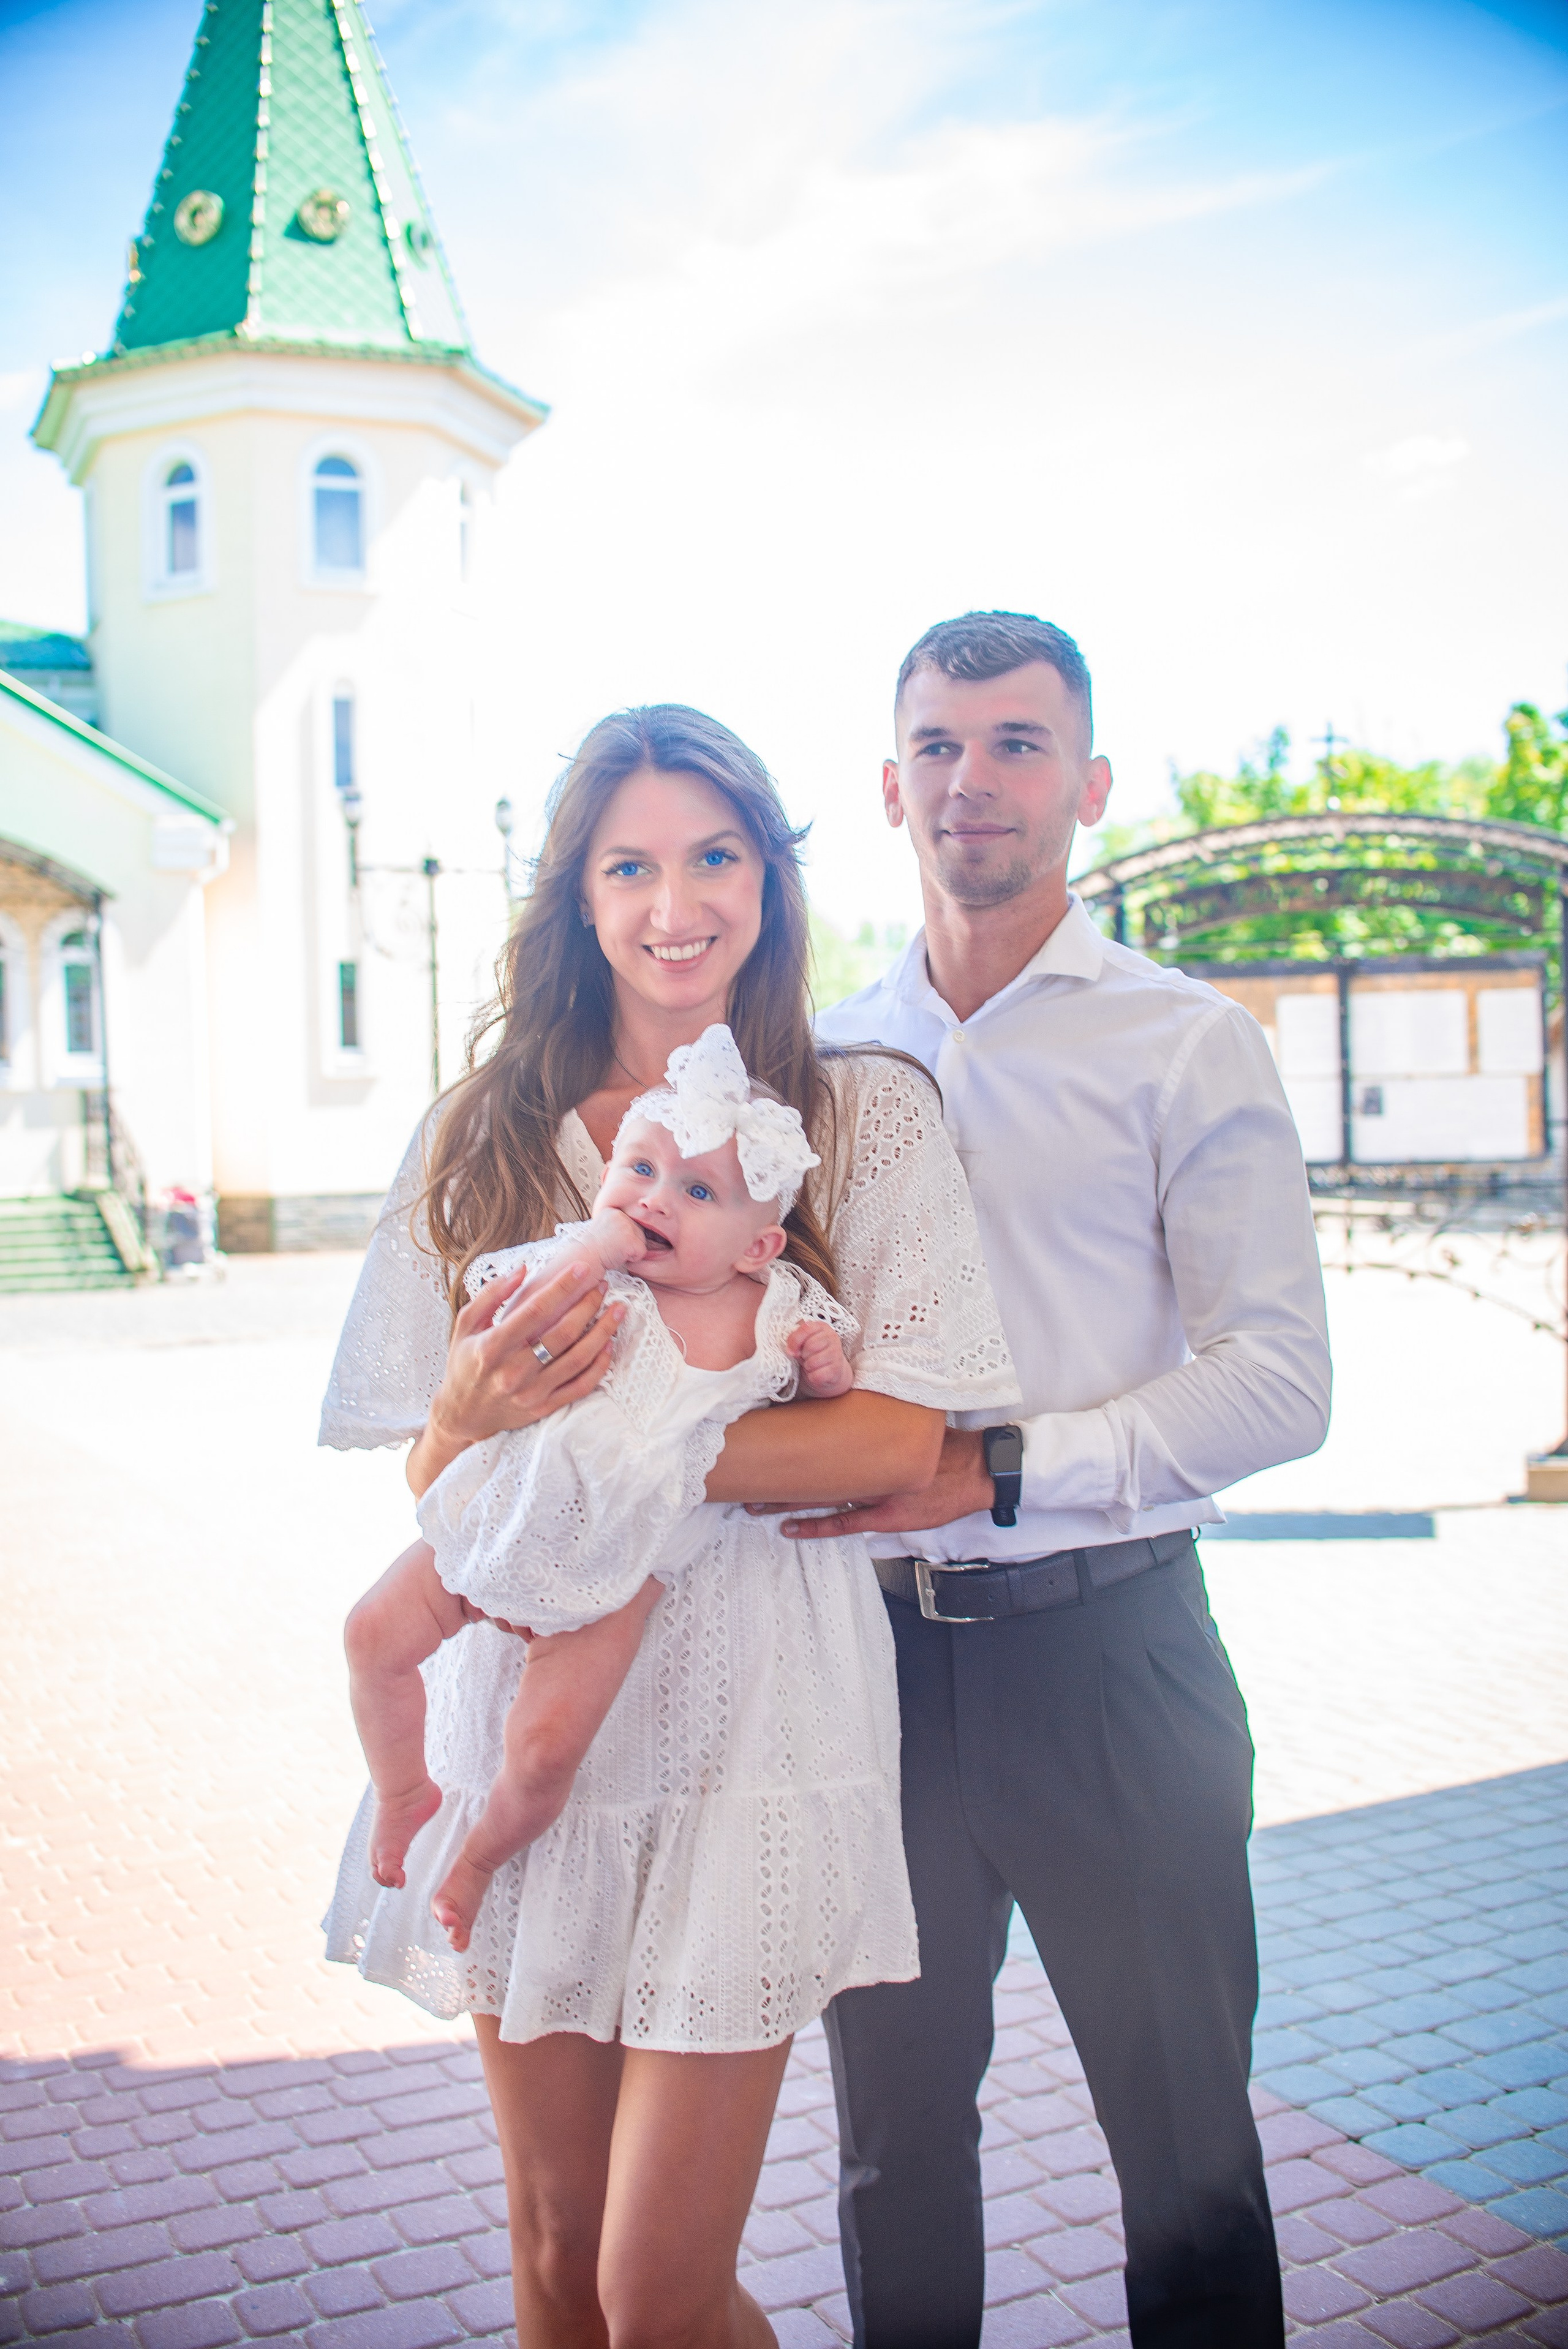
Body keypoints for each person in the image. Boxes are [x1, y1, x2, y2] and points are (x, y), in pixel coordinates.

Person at [319, 704, 1020, 2349]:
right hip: (538, 1709)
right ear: (575, 893)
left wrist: (614, 1458)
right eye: (627, 863)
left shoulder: (857, 1113)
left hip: (756, 1716)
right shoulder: (481, 1134)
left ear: (768, 880)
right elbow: (434, 1480)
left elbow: (899, 1427)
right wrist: (489, 1425)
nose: (673, 900)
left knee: (658, 2287)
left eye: (713, 855)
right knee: (560, 2252)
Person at [807, 612, 1332, 2348]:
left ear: (1089, 785)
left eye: (1019, 742)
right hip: (872, 1677)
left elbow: (1279, 1382)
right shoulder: (816, 1059)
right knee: (889, 2156)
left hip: (1118, 1662)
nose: (977, 779)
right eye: (942, 743)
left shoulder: (1186, 1044)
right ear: (892, 784)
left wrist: (1000, 1470)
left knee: (1185, 2151)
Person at [342, 1024, 858, 1953]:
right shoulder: (586, 1274)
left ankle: (480, 1857)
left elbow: (823, 1399)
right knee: (372, 1637)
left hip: (621, 1572)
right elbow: (500, 1303)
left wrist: (824, 1364)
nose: (656, 1200)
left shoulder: (769, 1306)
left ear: (758, 1245)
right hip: (503, 1514)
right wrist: (596, 1240)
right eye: (641, 1172)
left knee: (544, 1756)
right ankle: (401, 1788)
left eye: (698, 1192)